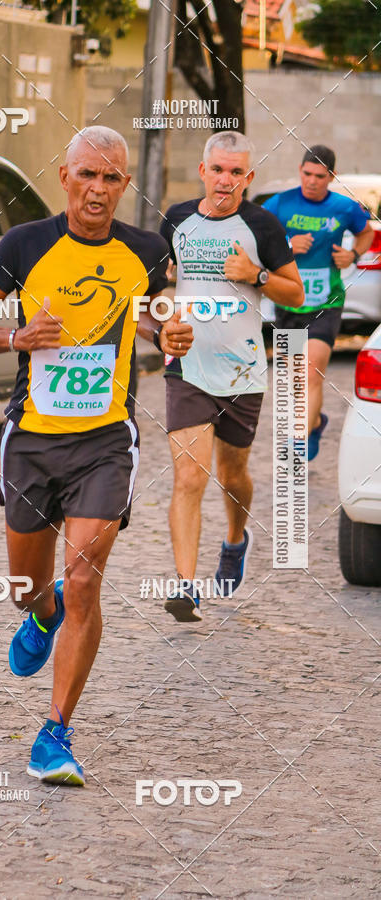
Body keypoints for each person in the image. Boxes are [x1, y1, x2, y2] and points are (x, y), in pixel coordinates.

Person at [0, 125, 192, 786]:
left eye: (111, 178)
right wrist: (17, 337)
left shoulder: (146, 249)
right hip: (33, 439)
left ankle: (55, 734)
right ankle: (42, 612)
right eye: (87, 174)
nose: (98, 189)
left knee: (85, 578)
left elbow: (151, 315)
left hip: (106, 440)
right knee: (26, 589)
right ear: (65, 176)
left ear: (125, 185)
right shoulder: (24, 244)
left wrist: (169, 330)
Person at [159, 131, 304, 624]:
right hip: (188, 367)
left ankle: (236, 539)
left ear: (249, 177)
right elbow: (155, 286)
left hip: (243, 371)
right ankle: (185, 586)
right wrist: (164, 320)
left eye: (236, 172)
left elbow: (296, 294)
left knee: (233, 476)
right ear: (203, 171)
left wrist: (255, 274)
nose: (225, 180)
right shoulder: (177, 219)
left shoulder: (262, 225)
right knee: (189, 476)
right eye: (218, 169)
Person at [263, 145, 374, 460]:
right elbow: (258, 239)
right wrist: (287, 244)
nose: (312, 181)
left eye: (320, 176)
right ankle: (314, 423)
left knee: (311, 372)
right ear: (300, 171)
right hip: (289, 302)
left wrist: (352, 254)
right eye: (307, 174)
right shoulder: (279, 203)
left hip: (327, 302)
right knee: (295, 380)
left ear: (332, 176)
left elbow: (366, 233)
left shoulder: (344, 207)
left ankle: (296, 443)